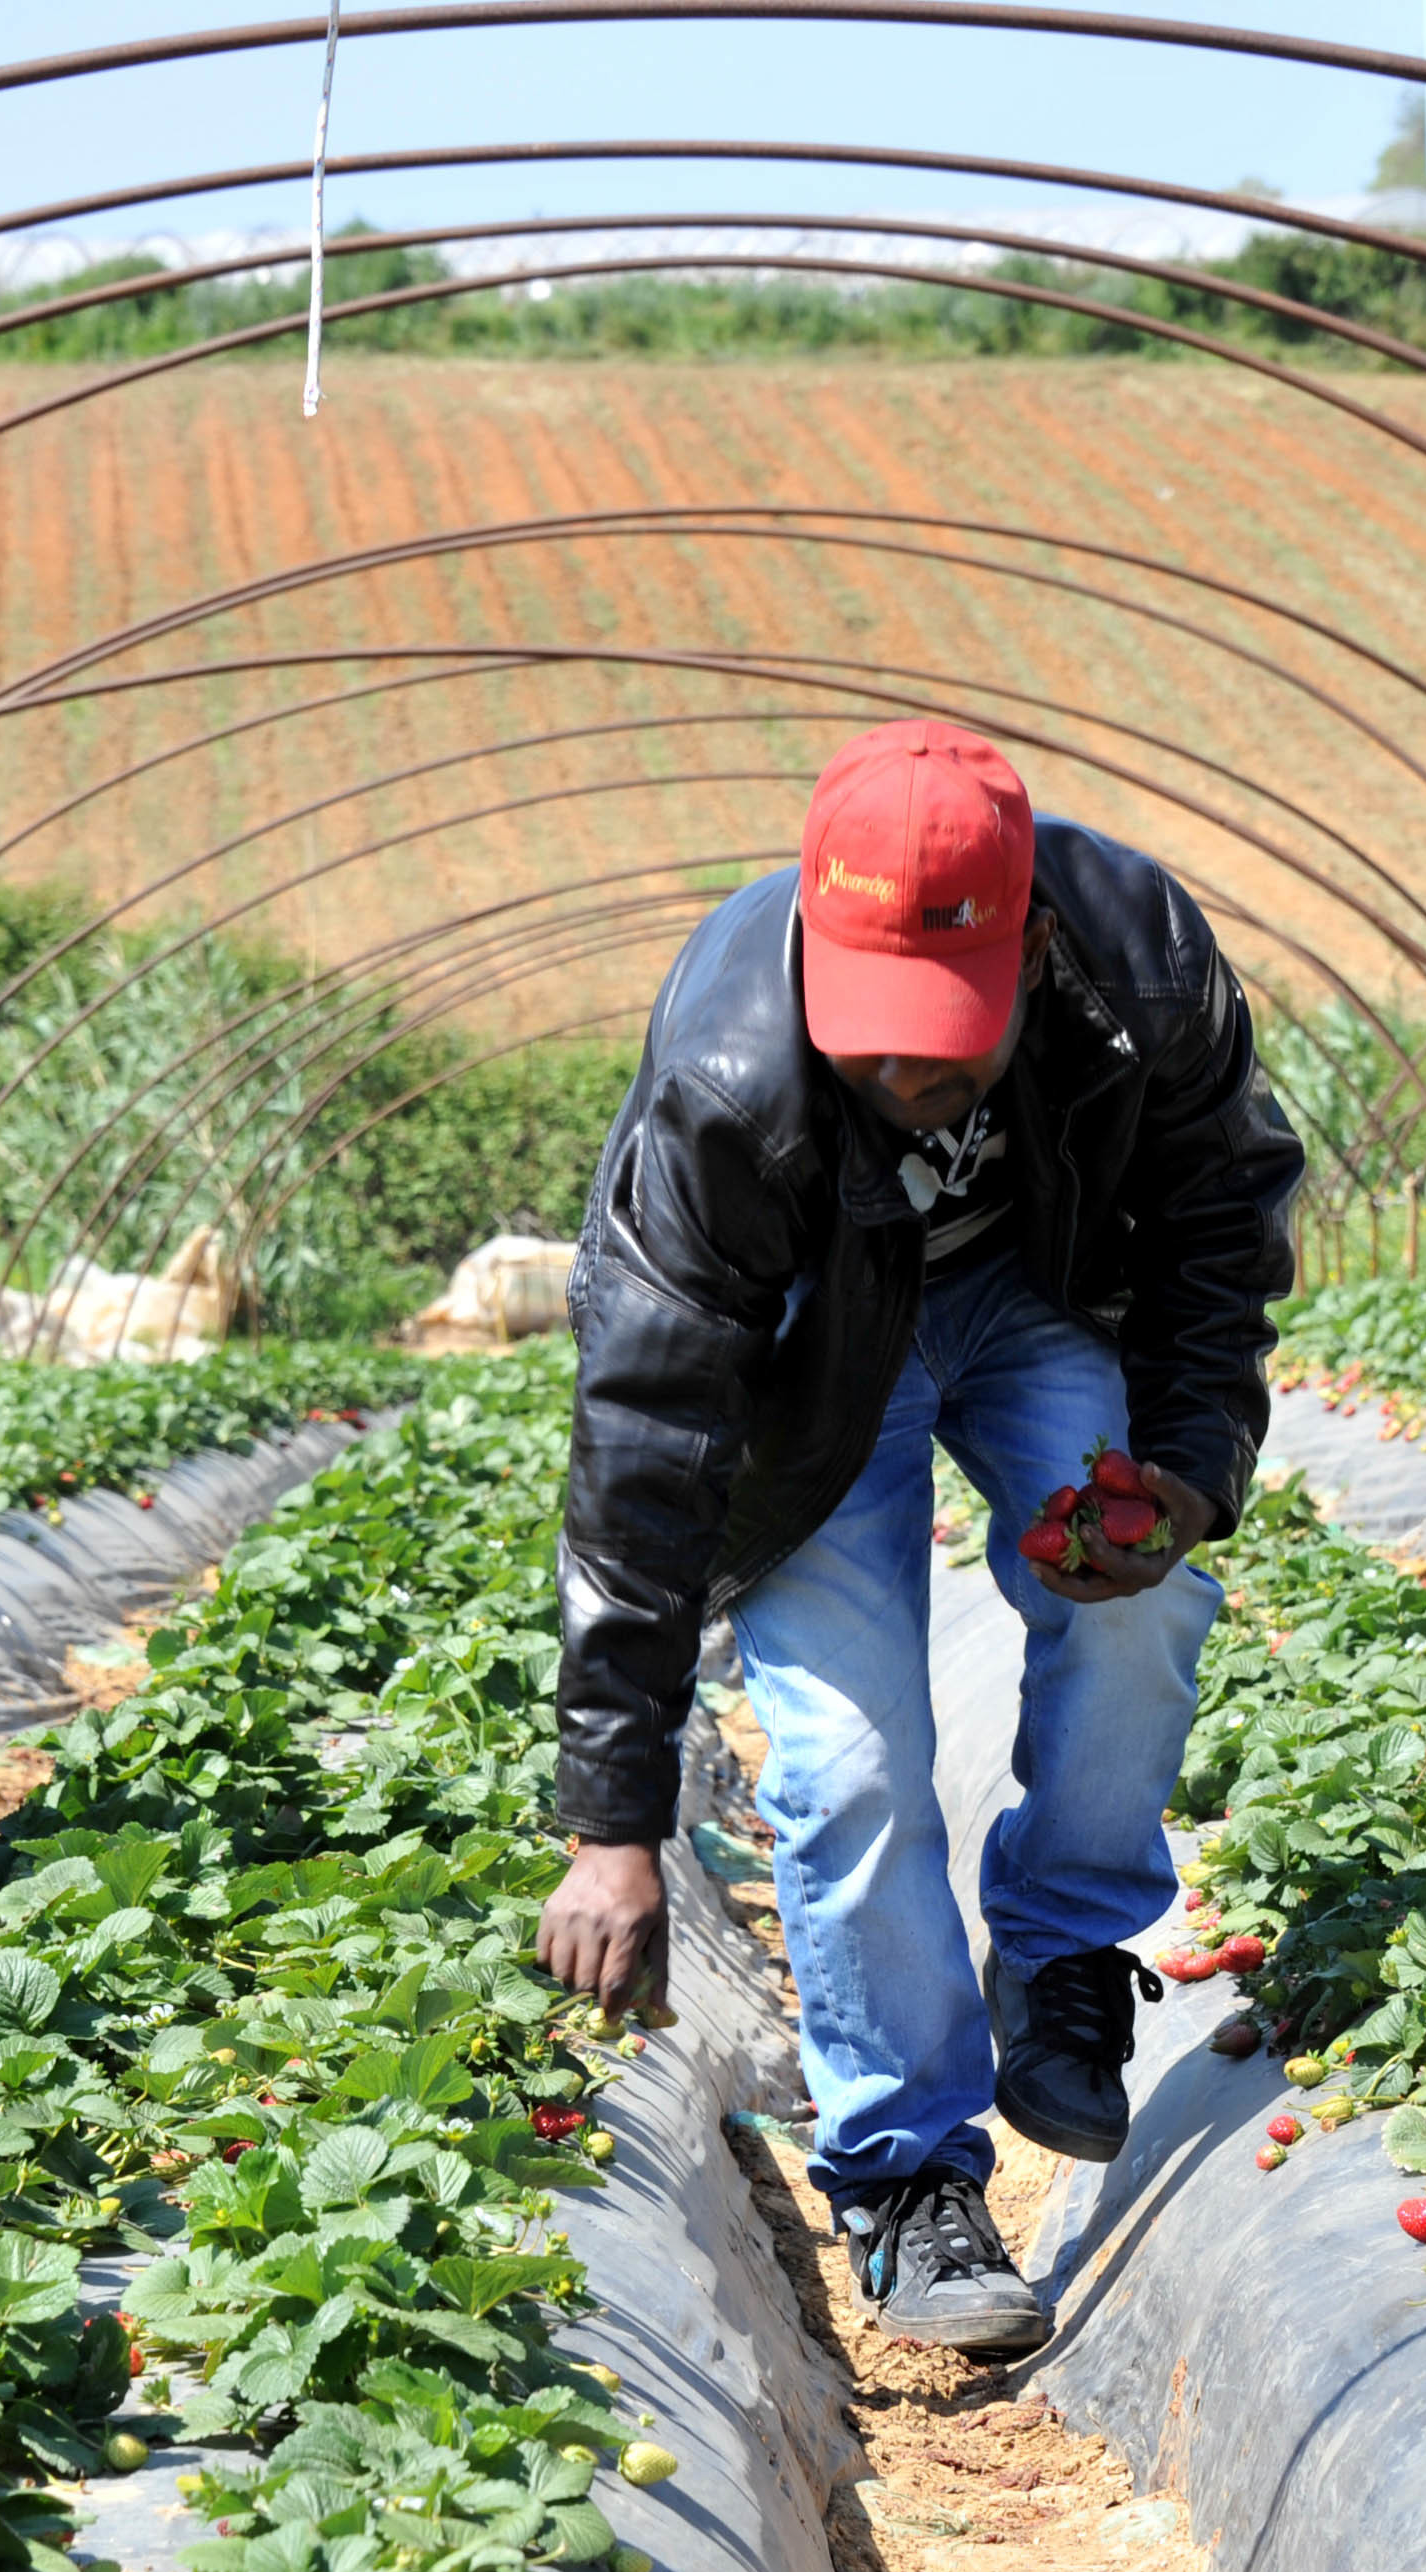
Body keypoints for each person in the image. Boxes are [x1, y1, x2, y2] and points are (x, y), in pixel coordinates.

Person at [541, 721, 1303, 2354]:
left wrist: (1178, 1471)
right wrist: (613, 1822)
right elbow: (648, 1436)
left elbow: (1217, 1228)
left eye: (944, 1039)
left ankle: (1063, 1957)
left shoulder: (1144, 971)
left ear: (1030, 943)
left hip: (1032, 1296)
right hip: (821, 1349)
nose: (906, 1076)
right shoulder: (731, 1081)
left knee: (1138, 1607)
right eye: (875, 1035)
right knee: (850, 1758)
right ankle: (907, 2176)